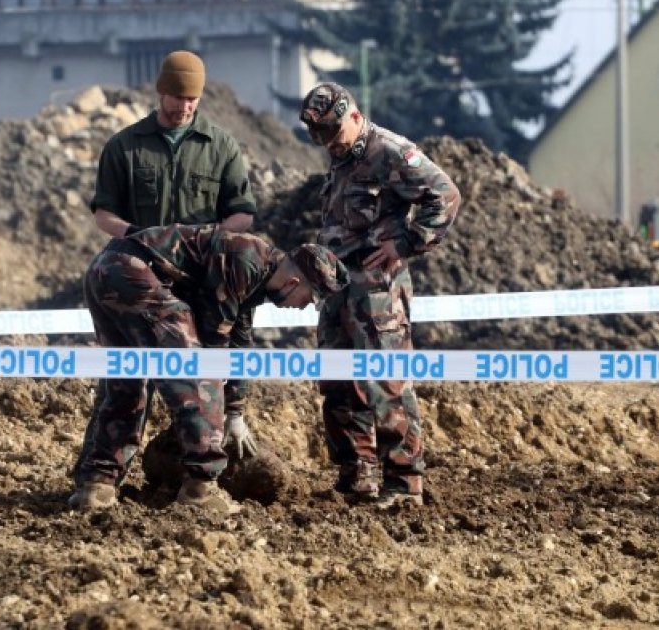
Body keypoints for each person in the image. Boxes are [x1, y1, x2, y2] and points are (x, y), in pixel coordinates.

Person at [73, 50, 259, 487]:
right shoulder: (125, 146)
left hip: (197, 283)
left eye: (192, 98)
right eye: (176, 97)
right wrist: (139, 238)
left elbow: (242, 214)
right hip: (138, 282)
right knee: (125, 382)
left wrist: (208, 243)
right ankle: (98, 479)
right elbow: (104, 213)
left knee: (199, 374)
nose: (184, 106)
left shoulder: (221, 146)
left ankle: (197, 474)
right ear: (160, 92)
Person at [69, 223, 349, 513]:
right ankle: (200, 489)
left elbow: (238, 347)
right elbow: (212, 353)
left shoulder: (256, 270)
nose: (303, 307)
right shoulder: (244, 260)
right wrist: (213, 409)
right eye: (309, 298)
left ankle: (96, 486)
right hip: (133, 272)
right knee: (199, 373)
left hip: (107, 269)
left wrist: (236, 413)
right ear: (293, 281)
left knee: (128, 380)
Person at [299, 82, 462, 508]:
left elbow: (444, 195)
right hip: (337, 288)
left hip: (377, 293)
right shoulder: (340, 156)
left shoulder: (388, 151)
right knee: (337, 382)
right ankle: (358, 474)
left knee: (385, 382)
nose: (329, 144)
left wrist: (406, 244)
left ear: (353, 115)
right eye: (321, 138)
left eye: (334, 134)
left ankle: (403, 481)